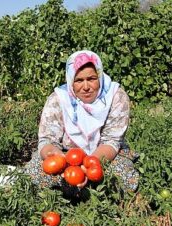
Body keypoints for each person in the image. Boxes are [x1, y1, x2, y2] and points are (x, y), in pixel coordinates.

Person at [23, 50, 139, 196]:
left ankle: (71, 192)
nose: (86, 87)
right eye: (78, 80)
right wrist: (59, 160)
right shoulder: (59, 99)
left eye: (91, 78)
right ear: (71, 80)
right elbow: (47, 140)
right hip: (66, 157)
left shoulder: (116, 96)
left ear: (100, 76)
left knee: (123, 176)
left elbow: (112, 141)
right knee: (33, 173)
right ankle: (89, 192)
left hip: (104, 156)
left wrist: (88, 167)